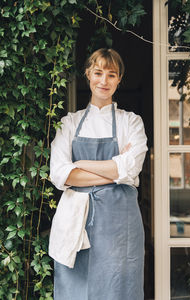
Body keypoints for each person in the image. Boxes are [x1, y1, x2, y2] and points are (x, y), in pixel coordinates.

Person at [49, 48, 148, 300]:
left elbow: (131, 168)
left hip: (120, 226)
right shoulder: (69, 123)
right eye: (98, 72)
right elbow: (61, 174)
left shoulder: (131, 122)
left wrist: (80, 163)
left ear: (119, 79)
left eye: (111, 75)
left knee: (118, 290)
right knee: (75, 290)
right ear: (88, 75)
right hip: (77, 222)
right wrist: (114, 170)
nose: (104, 81)